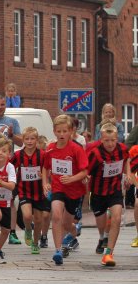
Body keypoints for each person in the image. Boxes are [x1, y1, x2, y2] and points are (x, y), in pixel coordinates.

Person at [42, 114, 89, 265]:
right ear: (54, 132)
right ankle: (58, 250)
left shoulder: (76, 149)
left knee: (67, 224)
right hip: (58, 188)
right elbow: (45, 167)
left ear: (70, 131)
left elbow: (85, 171)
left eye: (65, 131)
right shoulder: (50, 148)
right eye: (59, 131)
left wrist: (72, 178)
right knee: (56, 215)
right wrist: (45, 183)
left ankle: (75, 230)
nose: (62, 134)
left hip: (74, 191)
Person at [87, 123, 126, 266]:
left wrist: (127, 174)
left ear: (117, 139)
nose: (110, 144)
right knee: (101, 223)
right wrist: (85, 177)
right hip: (98, 192)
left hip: (114, 190)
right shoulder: (95, 154)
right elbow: (86, 170)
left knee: (117, 217)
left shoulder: (122, 149)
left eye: (113, 140)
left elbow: (127, 160)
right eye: (106, 140)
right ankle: (102, 236)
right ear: (101, 140)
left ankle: (109, 253)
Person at [11, 127, 47, 254]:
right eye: (27, 139)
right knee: (26, 216)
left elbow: (48, 170)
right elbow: (10, 167)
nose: (30, 141)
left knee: (38, 220)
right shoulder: (18, 155)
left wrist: (44, 176)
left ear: (37, 140)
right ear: (23, 140)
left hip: (39, 191)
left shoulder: (42, 155)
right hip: (24, 190)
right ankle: (27, 229)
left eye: (32, 139)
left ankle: (35, 243)